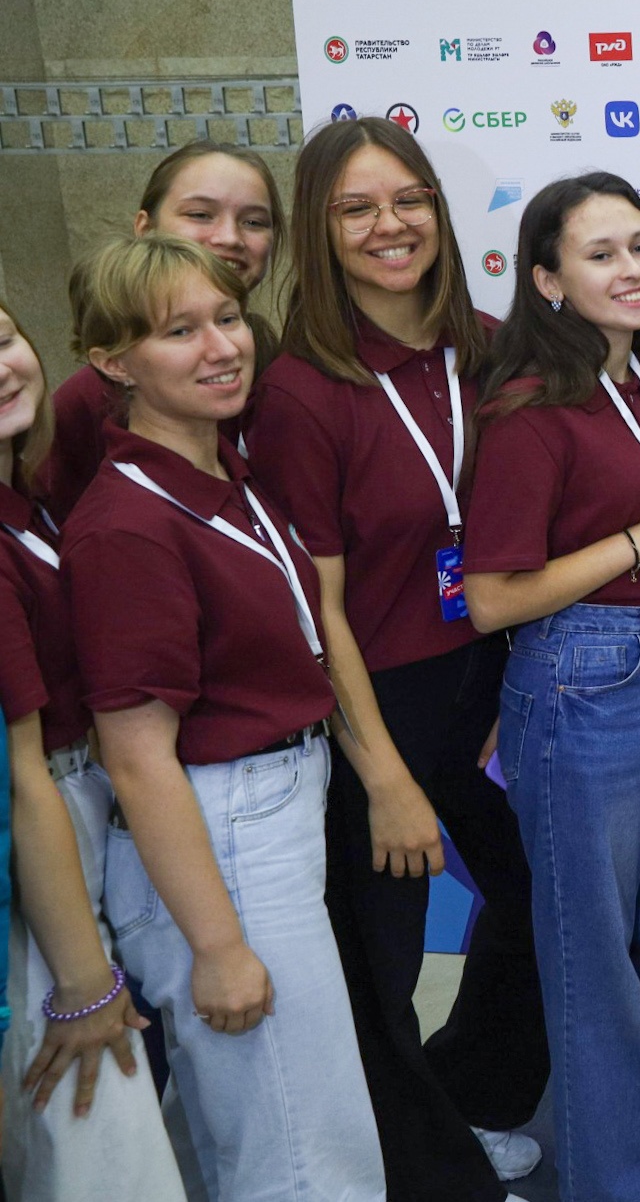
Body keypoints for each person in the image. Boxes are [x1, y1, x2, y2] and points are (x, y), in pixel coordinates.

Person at [244, 118, 546, 1201]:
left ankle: (472, 1095)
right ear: (319, 230)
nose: (391, 225)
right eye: (357, 208)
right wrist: (384, 779)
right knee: (382, 966)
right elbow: (317, 609)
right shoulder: (301, 389)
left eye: (410, 199)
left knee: (543, 899)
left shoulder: (495, 346)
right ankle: (430, 1177)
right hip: (379, 700)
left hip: (495, 678)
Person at [62, 234, 385, 1201]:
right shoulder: (127, 525)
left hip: (268, 813)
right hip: (224, 838)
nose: (220, 347)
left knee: (259, 1131)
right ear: (113, 363)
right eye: (179, 332)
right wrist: (218, 946)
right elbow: (137, 759)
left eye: (229, 319)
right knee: (304, 1151)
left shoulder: (221, 473)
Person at [463, 174, 640, 1202]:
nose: (632, 269)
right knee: (593, 951)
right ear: (548, 280)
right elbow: (492, 596)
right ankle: (615, 1174)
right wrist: (635, 541)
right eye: (600, 254)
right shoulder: (530, 409)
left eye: (639, 246)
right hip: (579, 681)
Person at [0, 294, 186, 1201]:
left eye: (3, 339)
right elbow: (22, 778)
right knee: (100, 1140)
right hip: (45, 845)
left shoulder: (28, 500)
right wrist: (81, 981)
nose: (1, 368)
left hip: (88, 815)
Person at [40, 142, 283, 520]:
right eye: (200, 214)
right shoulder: (87, 402)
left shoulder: (274, 361)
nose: (229, 238)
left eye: (253, 222)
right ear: (145, 228)